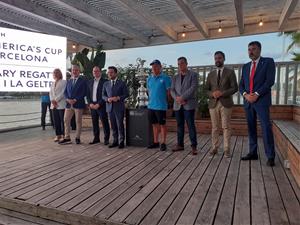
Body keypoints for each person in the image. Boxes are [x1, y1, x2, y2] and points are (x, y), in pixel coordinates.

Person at [239, 41, 276, 167]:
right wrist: (246, 95)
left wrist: (256, 94)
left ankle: (270, 156)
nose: (251, 51)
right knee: (251, 128)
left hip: (261, 101)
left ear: (259, 50)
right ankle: (253, 152)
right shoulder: (245, 66)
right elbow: (241, 85)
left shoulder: (268, 62)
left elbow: (269, 81)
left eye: (253, 49)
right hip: (248, 102)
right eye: (249, 49)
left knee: (266, 128)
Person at [206, 51, 238, 158]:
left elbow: (235, 88)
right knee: (215, 127)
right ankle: (214, 148)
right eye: (216, 58)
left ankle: (226, 149)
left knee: (226, 127)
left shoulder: (230, 72)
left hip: (226, 103)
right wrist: (212, 94)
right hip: (213, 104)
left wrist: (222, 93)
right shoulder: (210, 74)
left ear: (224, 59)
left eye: (219, 58)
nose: (217, 60)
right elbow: (206, 90)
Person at [170, 57, 198, 155]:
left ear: (186, 63)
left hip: (188, 104)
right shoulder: (175, 77)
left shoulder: (193, 75)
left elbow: (193, 88)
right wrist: (177, 99)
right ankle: (180, 145)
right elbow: (172, 90)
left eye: (182, 63)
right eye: (178, 64)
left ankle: (194, 146)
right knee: (179, 126)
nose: (180, 65)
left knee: (190, 125)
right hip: (178, 105)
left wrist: (182, 97)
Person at [59, 64, 87, 145]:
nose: (74, 71)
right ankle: (67, 137)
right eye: (73, 70)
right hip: (68, 104)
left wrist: (75, 99)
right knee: (66, 120)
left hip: (78, 104)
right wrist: (67, 99)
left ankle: (77, 137)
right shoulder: (69, 81)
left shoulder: (83, 81)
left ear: (79, 71)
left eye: (76, 70)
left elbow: (84, 92)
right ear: (71, 71)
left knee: (78, 121)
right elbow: (65, 92)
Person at [147, 59, 171, 151]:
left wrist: (168, 104)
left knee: (162, 125)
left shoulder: (165, 78)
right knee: (154, 124)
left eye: (156, 66)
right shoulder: (149, 78)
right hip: (151, 106)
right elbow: (149, 91)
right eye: (153, 66)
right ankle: (156, 142)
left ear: (160, 67)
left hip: (161, 106)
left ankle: (163, 142)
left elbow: (168, 93)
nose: (154, 68)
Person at [102, 66, 129, 149]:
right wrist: (107, 99)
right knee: (113, 125)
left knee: (120, 125)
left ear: (115, 73)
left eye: (111, 72)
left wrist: (118, 98)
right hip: (109, 107)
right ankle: (115, 141)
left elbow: (126, 94)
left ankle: (121, 141)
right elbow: (103, 95)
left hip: (119, 107)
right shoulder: (106, 84)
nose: (110, 74)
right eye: (108, 72)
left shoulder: (121, 83)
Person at [87, 66, 110, 145]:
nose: (95, 73)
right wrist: (90, 103)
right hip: (92, 105)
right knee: (94, 122)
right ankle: (96, 138)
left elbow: (106, 94)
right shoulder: (90, 82)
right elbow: (88, 94)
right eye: (94, 71)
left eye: (97, 71)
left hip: (101, 105)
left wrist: (99, 104)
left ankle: (106, 139)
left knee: (104, 122)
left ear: (100, 72)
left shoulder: (105, 82)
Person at [49, 68, 67, 142]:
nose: (55, 74)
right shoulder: (52, 83)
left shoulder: (64, 82)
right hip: (53, 105)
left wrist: (56, 100)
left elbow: (63, 92)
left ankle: (63, 135)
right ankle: (58, 135)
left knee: (63, 121)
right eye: (54, 73)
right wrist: (52, 101)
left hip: (61, 104)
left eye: (57, 72)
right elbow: (50, 93)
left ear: (60, 74)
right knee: (56, 120)